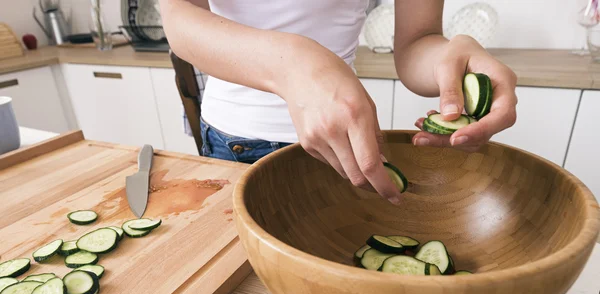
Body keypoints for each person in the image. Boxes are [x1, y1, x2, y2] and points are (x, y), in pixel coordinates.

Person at [160, 0, 518, 205]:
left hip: (344, 147)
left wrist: (451, 56)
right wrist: (293, 63)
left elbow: (418, 42)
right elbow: (178, 19)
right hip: (233, 146)